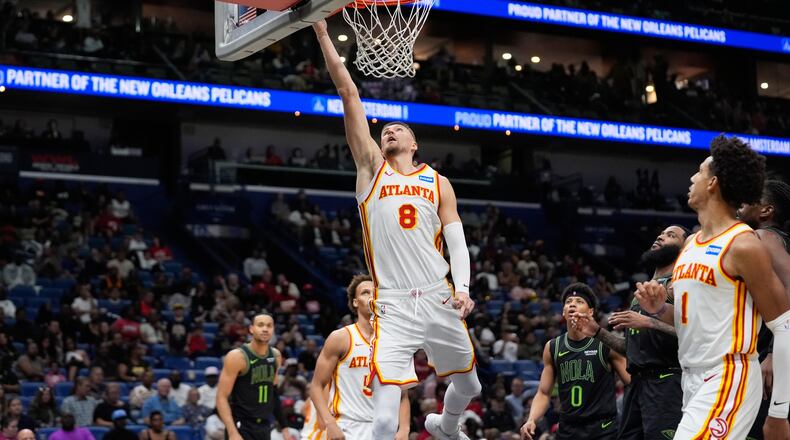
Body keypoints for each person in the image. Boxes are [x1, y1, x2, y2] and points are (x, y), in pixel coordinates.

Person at [314, 20, 480, 440]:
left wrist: (462, 287)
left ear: (414, 143)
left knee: (471, 386)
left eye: (399, 129)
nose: (389, 129)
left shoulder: (438, 182)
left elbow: (457, 243)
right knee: (385, 421)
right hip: (393, 305)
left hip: (439, 293)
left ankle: (445, 425)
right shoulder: (371, 170)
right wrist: (321, 33)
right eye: (385, 129)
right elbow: (349, 93)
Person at [635, 136, 790, 440]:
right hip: (691, 379)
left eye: (699, 172)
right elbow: (691, 319)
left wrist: (778, 412)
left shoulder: (744, 244)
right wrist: (659, 309)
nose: (692, 178)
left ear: (713, 183)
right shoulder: (692, 243)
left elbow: (785, 326)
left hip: (730, 376)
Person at [573, 225, 688, 439]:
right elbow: (631, 350)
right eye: (660, 233)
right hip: (636, 384)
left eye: (670, 235)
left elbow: (693, 336)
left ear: (685, 248)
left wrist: (649, 322)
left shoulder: (680, 284)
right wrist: (597, 332)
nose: (661, 236)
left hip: (668, 382)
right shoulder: (643, 292)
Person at [305, 274, 410, 440]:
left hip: (383, 428)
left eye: (375, 293)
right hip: (348, 426)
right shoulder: (341, 338)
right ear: (355, 302)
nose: (371, 297)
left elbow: (402, 393)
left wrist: (404, 429)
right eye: (365, 293)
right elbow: (316, 386)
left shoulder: (394, 341)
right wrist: (330, 423)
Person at [520, 283, 630, 440]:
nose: (572, 304)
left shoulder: (604, 344)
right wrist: (531, 419)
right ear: (563, 312)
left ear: (590, 311)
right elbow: (544, 393)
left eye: (579, 301)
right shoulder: (553, 347)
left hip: (602, 428)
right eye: (568, 301)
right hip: (568, 428)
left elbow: (632, 381)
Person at [738, 179, 790, 440]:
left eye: (749, 199)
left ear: (766, 211)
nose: (740, 202)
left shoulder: (763, 237)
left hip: (770, 357)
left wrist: (772, 353)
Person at [217, 313, 290, 440]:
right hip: (241, 425)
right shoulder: (237, 357)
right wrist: (232, 432)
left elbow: (273, 394)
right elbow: (221, 397)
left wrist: (284, 427)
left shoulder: (276, 356)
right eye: (260, 325)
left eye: (269, 326)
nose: (265, 329)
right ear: (251, 329)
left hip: (264, 426)